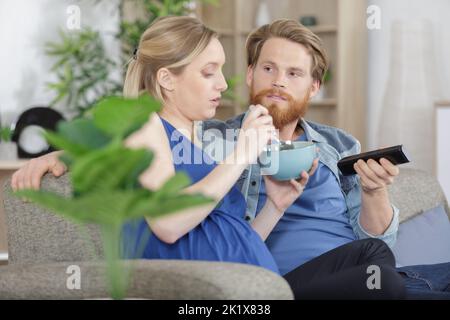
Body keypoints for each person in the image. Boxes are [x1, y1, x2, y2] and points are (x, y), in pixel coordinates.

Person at [10, 16, 406, 299]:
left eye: (221, 71)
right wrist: (63, 154)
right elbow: (166, 223)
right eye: (210, 72)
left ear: (315, 86)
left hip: (255, 279)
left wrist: (275, 206)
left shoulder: (198, 142)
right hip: (236, 291)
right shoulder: (170, 130)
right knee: (387, 284)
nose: (222, 84)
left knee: (375, 257)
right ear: (167, 79)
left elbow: (229, 239)